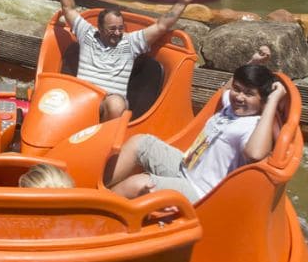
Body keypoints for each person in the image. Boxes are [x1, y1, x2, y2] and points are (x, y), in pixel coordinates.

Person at [106, 50, 286, 204]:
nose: (239, 96)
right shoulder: (233, 108)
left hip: (201, 193)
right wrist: (253, 62)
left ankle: (96, 216)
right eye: (237, 89)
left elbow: (255, 154)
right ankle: (99, 189)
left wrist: (273, 101)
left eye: (249, 94)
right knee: (141, 142)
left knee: (137, 184)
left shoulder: (253, 125)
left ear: (262, 100)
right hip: (185, 166)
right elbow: (225, 91)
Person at [58, 0, 198, 121]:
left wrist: (182, 1)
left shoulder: (130, 43)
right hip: (80, 98)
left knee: (116, 104)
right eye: (112, 29)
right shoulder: (87, 34)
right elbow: (68, 8)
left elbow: (161, 25)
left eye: (120, 28)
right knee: (57, 95)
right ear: (100, 28)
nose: (117, 33)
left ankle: (101, 140)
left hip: (108, 106)